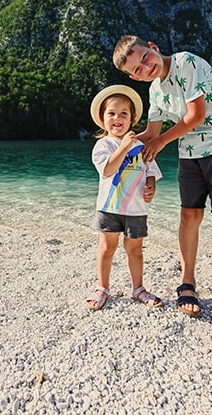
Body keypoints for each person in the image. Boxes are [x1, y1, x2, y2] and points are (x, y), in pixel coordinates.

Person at [112, 35, 212, 319]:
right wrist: (125, 145)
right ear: (133, 78)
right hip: (190, 153)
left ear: (153, 48)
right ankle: (188, 282)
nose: (145, 68)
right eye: (136, 70)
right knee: (189, 216)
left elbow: (195, 116)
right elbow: (151, 134)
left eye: (144, 59)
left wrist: (160, 143)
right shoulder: (155, 91)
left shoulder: (185, 62)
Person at [86, 85, 164, 311]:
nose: (117, 118)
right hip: (109, 207)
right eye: (111, 113)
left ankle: (138, 288)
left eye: (123, 114)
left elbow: (151, 171)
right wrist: (124, 146)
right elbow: (108, 169)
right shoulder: (103, 145)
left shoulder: (141, 146)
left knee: (135, 249)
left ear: (132, 120)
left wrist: (151, 186)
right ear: (103, 119)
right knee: (107, 248)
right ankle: (102, 287)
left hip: (136, 209)